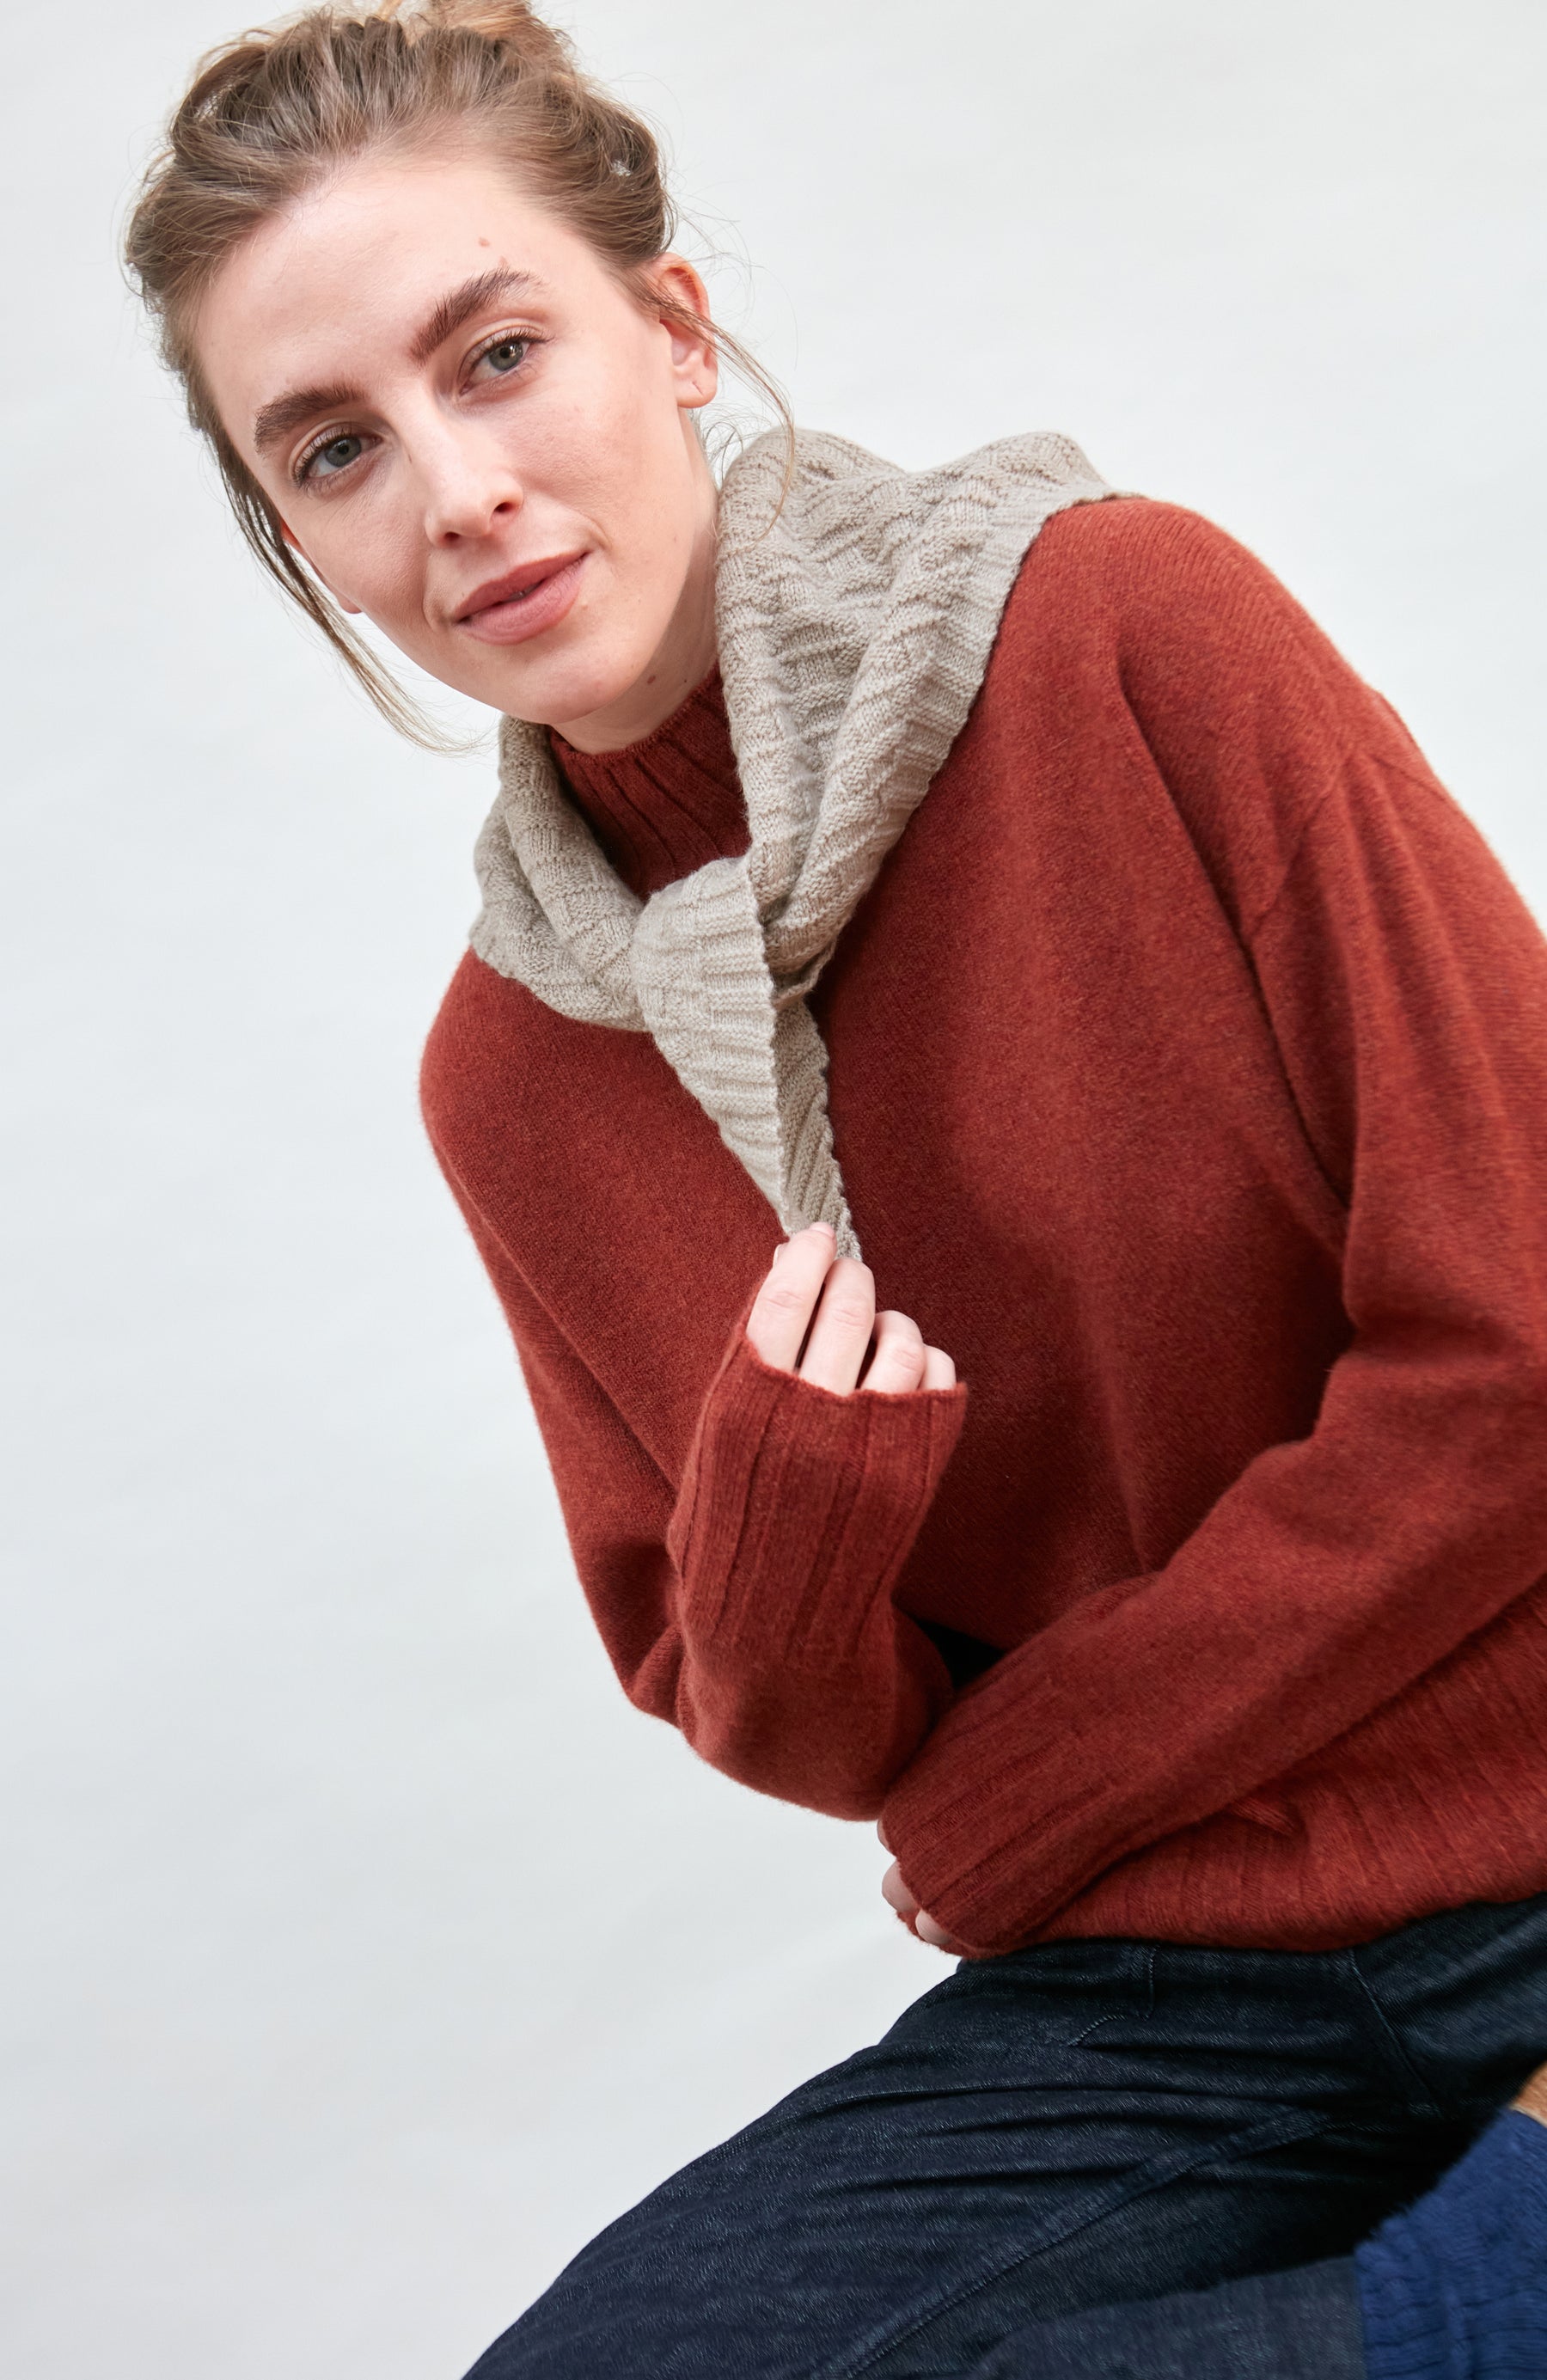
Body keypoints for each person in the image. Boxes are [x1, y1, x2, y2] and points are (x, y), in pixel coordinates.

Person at [123, 5, 1547, 2372]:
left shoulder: (1122, 632)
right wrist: (793, 1537)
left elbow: (1520, 1339)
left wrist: (1038, 1790)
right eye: (341, 445)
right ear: (301, 540)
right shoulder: (513, 1074)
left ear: (671, 330)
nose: (456, 486)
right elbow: (822, 1727)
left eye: (497, 354)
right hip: (1180, 1976)